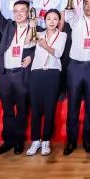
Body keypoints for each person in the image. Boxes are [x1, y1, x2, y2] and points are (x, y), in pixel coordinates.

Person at [0, 0, 36, 155]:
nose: (18, 14)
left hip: (22, 73)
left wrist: (31, 56)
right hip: (5, 73)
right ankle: (8, 141)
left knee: (22, 109)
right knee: (7, 109)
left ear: (29, 12)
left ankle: (18, 141)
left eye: (22, 10)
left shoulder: (36, 28)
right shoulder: (9, 25)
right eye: (15, 11)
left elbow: (42, 48)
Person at [63, 0, 90, 155]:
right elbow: (68, 12)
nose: (88, 6)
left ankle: (88, 140)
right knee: (72, 106)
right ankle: (71, 141)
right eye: (86, 3)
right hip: (75, 67)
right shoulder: (76, 20)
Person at [27, 9, 66, 156]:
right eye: (49, 18)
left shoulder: (62, 35)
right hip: (36, 72)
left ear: (59, 21)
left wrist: (44, 46)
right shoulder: (38, 33)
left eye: (55, 19)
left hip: (52, 73)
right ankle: (35, 140)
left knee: (50, 108)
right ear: (44, 20)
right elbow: (26, 44)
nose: (51, 21)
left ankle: (46, 141)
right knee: (36, 108)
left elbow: (58, 53)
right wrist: (32, 27)